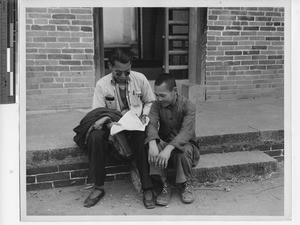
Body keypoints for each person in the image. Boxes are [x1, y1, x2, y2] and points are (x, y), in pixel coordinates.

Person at [79, 48, 156, 209]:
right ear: (110, 66)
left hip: (135, 124)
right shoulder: (102, 84)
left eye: (126, 72)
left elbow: (150, 102)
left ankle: (147, 187)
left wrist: (144, 115)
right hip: (112, 125)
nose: (122, 76)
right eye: (118, 72)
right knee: (95, 137)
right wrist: (109, 124)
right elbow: (97, 112)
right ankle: (98, 186)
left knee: (140, 137)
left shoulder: (140, 79)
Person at [145, 73, 200, 206]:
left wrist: (169, 148)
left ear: (174, 91)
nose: (158, 98)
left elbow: (187, 132)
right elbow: (151, 123)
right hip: (165, 143)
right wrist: (152, 142)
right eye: (156, 94)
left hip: (185, 145)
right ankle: (165, 185)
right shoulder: (156, 105)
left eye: (162, 95)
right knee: (154, 146)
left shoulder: (189, 106)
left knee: (183, 151)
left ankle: (184, 185)